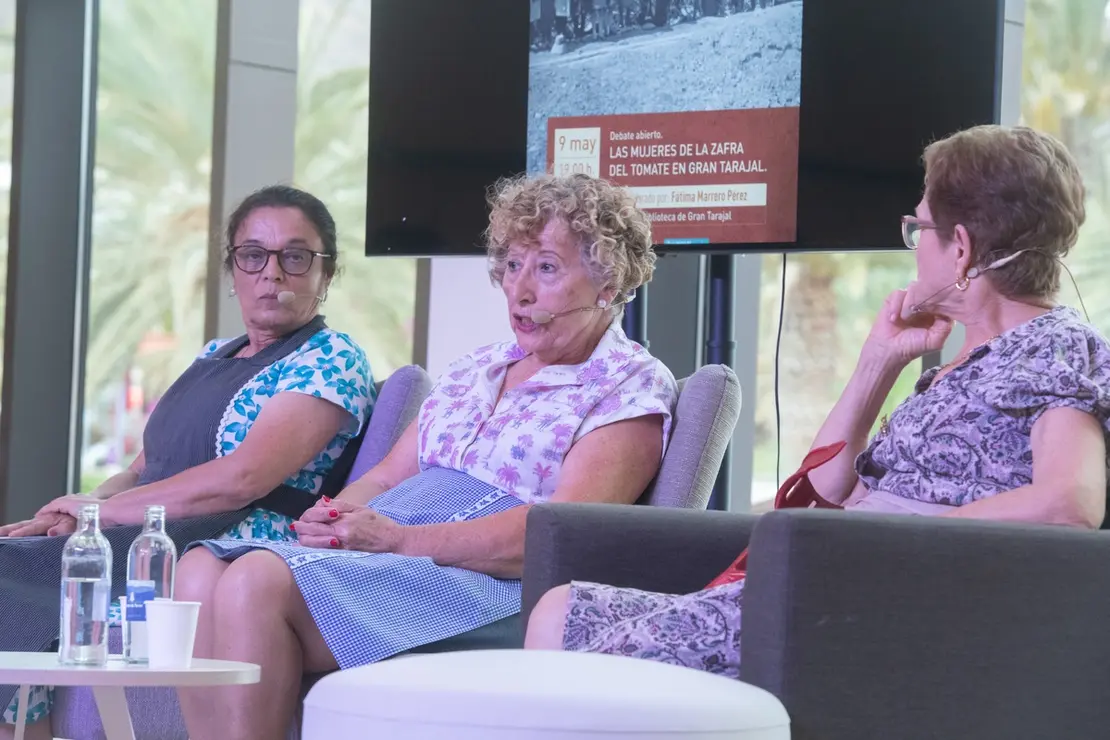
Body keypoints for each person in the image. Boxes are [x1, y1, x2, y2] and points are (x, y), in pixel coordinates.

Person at [524, 124, 1110, 678]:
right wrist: (878, 363)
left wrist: (890, 535)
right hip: (825, 578)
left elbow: (1070, 503)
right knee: (558, 609)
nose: (913, 248)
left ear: (959, 249)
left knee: (564, 645)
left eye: (919, 229)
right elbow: (815, 498)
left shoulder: (1052, 349)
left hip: (863, 613)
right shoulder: (955, 366)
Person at [172, 173, 678, 740]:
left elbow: (563, 532)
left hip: (482, 579)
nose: (520, 291)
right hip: (392, 552)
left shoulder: (628, 385)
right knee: (199, 568)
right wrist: (333, 517)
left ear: (608, 280)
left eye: (547, 268)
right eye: (512, 266)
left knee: (254, 582)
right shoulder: (476, 367)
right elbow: (388, 476)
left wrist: (401, 540)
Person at [0, 185, 374, 739]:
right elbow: (140, 468)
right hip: (152, 526)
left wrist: (106, 516)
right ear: (233, 270)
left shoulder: (333, 359)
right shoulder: (210, 356)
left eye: (295, 257)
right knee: (13, 562)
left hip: (233, 536)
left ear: (326, 274)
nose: (272, 273)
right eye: (254, 255)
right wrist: (77, 511)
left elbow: (243, 478)